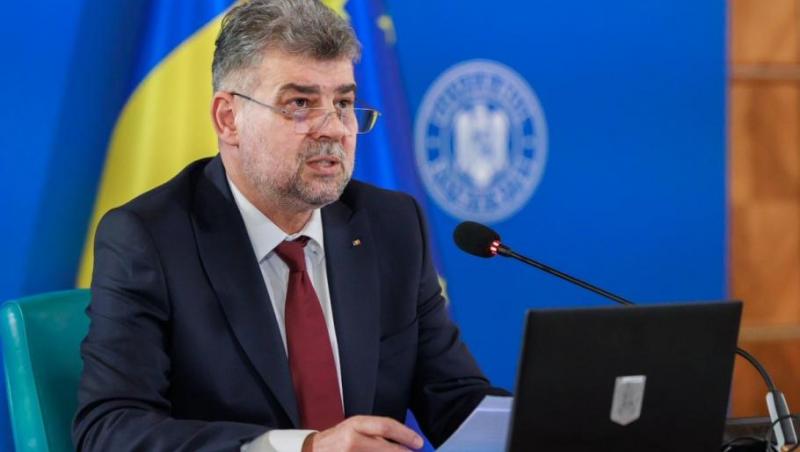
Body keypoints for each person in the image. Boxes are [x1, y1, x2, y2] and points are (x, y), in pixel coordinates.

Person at [72, 0, 505, 450]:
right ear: (228, 119)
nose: (334, 129)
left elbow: (456, 400)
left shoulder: (391, 225)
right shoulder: (150, 239)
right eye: (300, 104)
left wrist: (541, 423)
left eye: (343, 103)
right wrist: (304, 448)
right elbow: (110, 429)